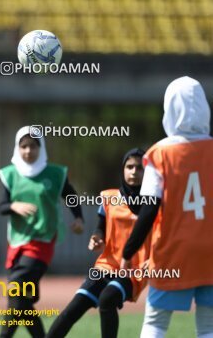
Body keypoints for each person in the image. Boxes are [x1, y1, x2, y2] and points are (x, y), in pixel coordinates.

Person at [121, 76, 213, 338]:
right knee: (208, 326)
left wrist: (129, 252)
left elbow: (148, 210)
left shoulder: (159, 154)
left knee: (156, 323)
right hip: (211, 252)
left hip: (173, 251)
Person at [47, 148, 152, 338]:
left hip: (135, 269)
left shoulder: (154, 202)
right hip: (107, 264)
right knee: (74, 308)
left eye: (139, 168)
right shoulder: (109, 197)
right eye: (129, 167)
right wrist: (96, 238)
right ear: (123, 170)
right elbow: (100, 228)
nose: (134, 172)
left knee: (108, 298)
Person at [0, 126, 84, 338]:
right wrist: (13, 206)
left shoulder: (54, 173)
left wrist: (79, 218)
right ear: (18, 148)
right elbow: (2, 206)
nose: (28, 151)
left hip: (43, 240)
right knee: (19, 303)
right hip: (17, 241)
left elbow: (71, 196)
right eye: (24, 146)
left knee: (16, 290)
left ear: (41, 147)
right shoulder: (10, 174)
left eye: (33, 146)